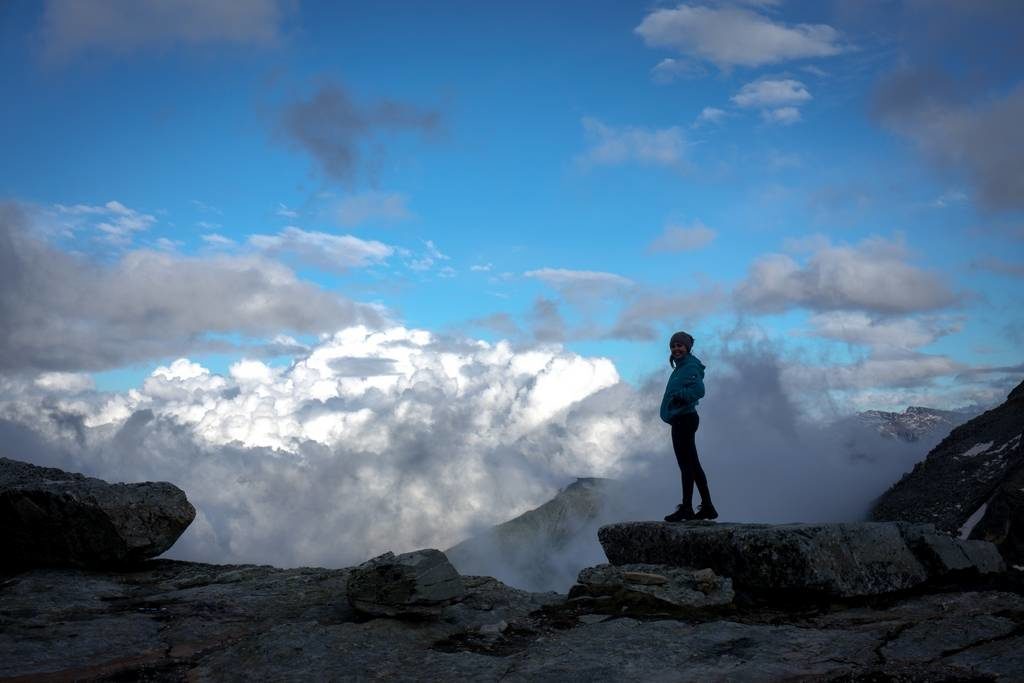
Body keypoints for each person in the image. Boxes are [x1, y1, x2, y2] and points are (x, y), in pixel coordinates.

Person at [660, 330, 717, 522]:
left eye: (680, 345)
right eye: (673, 345)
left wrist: (680, 396)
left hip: (684, 419)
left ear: (687, 347)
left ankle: (686, 508)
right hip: (684, 419)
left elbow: (699, 390)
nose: (676, 348)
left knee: (686, 465)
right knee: (693, 464)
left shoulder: (689, 366)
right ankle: (707, 506)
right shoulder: (682, 366)